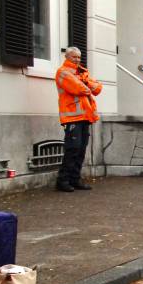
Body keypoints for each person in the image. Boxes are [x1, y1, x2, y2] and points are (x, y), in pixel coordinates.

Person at [55, 46, 102, 192]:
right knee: (72, 149)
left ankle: (75, 179)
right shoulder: (62, 72)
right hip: (72, 117)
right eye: (74, 57)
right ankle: (63, 181)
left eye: (79, 57)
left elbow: (98, 89)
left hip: (85, 117)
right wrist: (85, 82)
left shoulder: (81, 72)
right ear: (67, 57)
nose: (77, 60)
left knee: (81, 149)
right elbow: (79, 89)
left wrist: (85, 82)